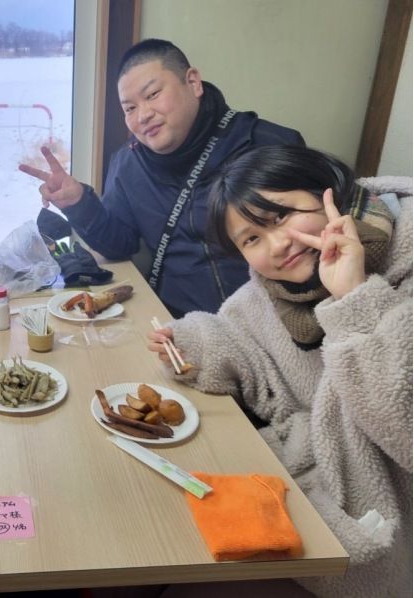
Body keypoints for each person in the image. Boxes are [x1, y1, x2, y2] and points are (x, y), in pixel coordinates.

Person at [147, 145, 412, 597]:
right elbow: (245, 336)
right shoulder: (273, 289)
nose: (277, 246)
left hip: (393, 540)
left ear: (328, 192)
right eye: (251, 239)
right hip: (310, 511)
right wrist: (193, 342)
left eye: (281, 216)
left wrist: (353, 298)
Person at [19, 39, 304, 317]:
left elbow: (311, 245)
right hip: (178, 325)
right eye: (129, 108)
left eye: (153, 94)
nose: (143, 115)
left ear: (192, 82)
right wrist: (78, 202)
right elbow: (120, 244)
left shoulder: (268, 145)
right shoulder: (128, 163)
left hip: (275, 326)